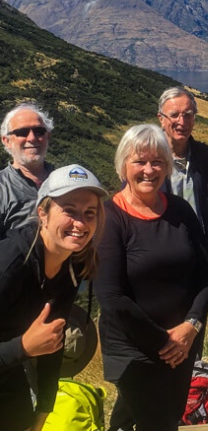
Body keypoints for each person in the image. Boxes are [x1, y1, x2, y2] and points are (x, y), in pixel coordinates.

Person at [94, 124, 208, 431]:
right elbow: (111, 297)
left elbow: (207, 274)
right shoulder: (110, 218)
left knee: (166, 414)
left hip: (183, 343)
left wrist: (192, 326)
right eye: (140, 161)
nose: (149, 170)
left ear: (168, 166)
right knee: (161, 424)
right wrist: (165, 342)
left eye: (157, 161)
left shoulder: (180, 210)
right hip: (134, 347)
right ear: (123, 165)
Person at [0, 164, 106, 431]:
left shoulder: (74, 263)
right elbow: (32, 345)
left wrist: (45, 407)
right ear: (42, 214)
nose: (80, 223)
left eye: (89, 213)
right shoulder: (10, 266)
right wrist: (23, 347)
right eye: (69, 210)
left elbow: (52, 340)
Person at [157, 87, 208, 236]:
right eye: (174, 115)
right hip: (163, 251)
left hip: (201, 250)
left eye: (188, 115)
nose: (182, 121)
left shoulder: (206, 156)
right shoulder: (147, 160)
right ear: (161, 119)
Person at [0, 103, 54, 239]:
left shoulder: (64, 180)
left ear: (48, 136)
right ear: (6, 141)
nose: (32, 138)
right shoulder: (2, 188)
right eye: (22, 132)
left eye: (39, 131)